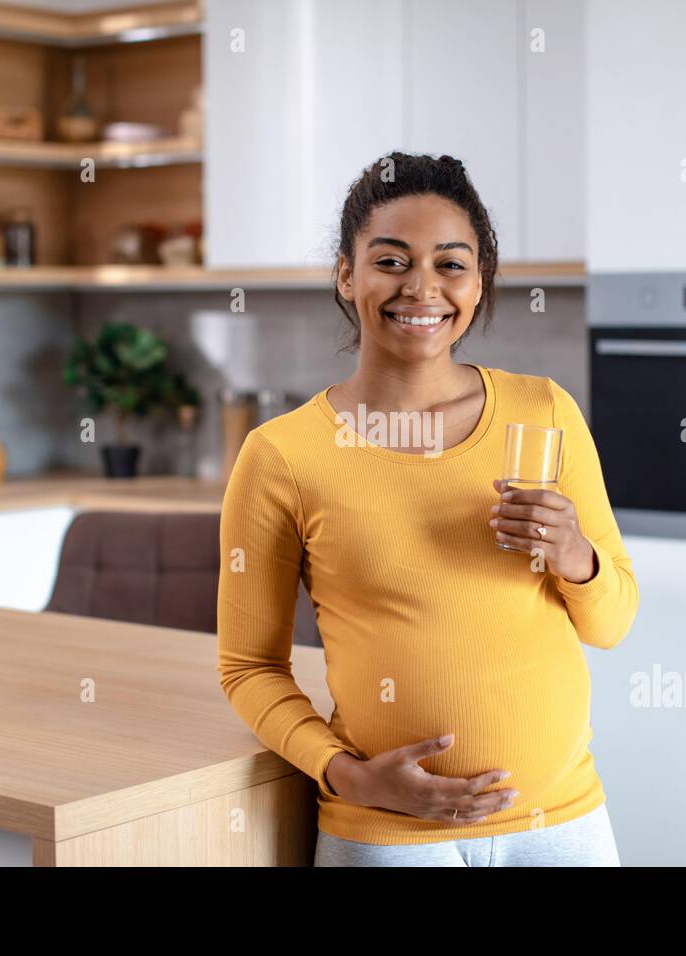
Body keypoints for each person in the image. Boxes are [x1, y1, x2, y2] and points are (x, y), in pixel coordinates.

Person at [216, 151, 639, 866]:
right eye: (390, 261)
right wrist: (346, 773)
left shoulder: (544, 412)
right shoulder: (282, 455)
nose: (422, 288)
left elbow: (614, 622)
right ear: (347, 275)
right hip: (388, 835)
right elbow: (248, 668)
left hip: (561, 821)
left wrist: (576, 555)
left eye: (450, 264)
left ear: (479, 282)